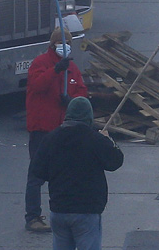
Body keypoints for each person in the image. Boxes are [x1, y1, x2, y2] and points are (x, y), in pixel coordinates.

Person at [28, 96, 124, 250]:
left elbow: (38, 170)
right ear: (89, 117)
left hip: (59, 209)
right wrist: (108, 140)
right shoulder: (95, 139)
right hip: (87, 210)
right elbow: (115, 161)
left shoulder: (51, 138)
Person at [25, 28, 88, 233]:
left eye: (68, 42)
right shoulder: (40, 64)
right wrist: (56, 70)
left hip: (63, 130)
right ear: (52, 45)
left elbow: (82, 95)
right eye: (61, 42)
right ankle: (33, 217)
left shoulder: (73, 69)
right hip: (42, 129)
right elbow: (37, 85)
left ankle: (62, 215)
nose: (65, 46)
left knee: (62, 175)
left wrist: (72, 102)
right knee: (36, 175)